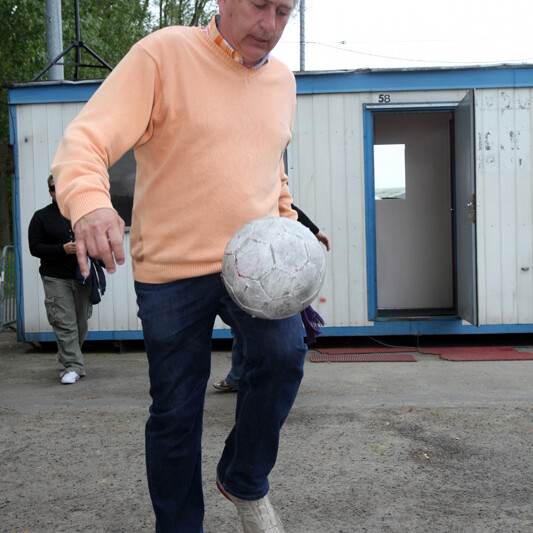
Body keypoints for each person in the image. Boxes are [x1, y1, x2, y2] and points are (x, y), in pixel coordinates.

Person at [51, 0, 305, 531]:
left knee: (284, 355)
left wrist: (291, 228)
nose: (270, 25)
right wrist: (90, 203)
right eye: (260, 5)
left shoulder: (282, 81)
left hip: (255, 267)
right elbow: (86, 139)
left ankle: (244, 479)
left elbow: (272, 169)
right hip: (170, 271)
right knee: (176, 412)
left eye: (284, 11)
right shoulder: (163, 55)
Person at [214, 204, 330, 392]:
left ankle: (239, 378)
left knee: (252, 329)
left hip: (257, 263)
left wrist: (313, 230)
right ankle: (237, 377)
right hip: (234, 261)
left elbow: (286, 206)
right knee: (243, 329)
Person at [28, 175, 92, 385]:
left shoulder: (83, 213)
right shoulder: (41, 217)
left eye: (62, 187)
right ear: (50, 192)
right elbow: (35, 248)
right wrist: (61, 249)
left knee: (81, 323)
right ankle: (73, 366)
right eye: (53, 188)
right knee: (64, 323)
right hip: (55, 277)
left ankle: (67, 355)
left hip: (82, 277)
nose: (58, 191)